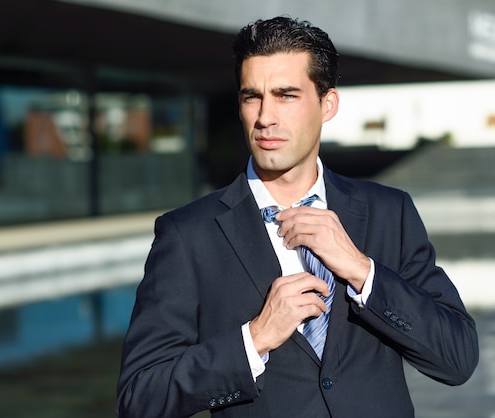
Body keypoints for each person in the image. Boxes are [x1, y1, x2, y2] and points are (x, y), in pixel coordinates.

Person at [116, 16, 479, 418]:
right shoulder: (188, 234)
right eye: (252, 96)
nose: (265, 117)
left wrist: (363, 271)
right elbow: (140, 399)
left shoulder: (388, 212)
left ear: (327, 105)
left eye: (286, 95)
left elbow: (457, 360)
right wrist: (253, 340)